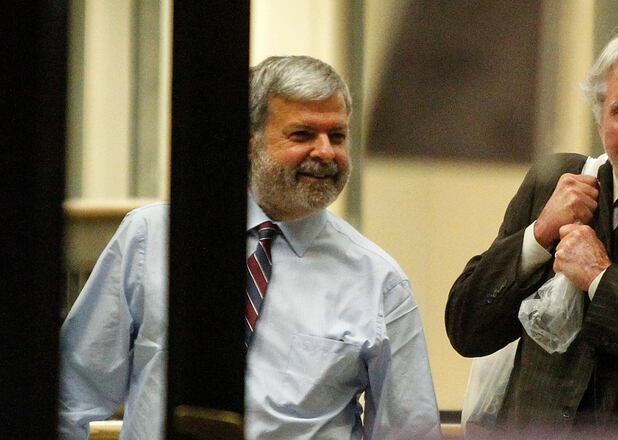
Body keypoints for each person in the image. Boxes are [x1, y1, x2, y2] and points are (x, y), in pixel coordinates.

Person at [60, 55, 442, 440]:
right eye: (303, 134)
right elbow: (69, 393)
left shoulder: (378, 280)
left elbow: (410, 431)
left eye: (337, 136)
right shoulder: (153, 238)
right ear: (249, 142)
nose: (326, 152)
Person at [446, 23, 618, 437]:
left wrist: (601, 278)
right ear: (600, 119)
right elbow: (467, 328)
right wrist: (538, 236)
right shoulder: (554, 184)